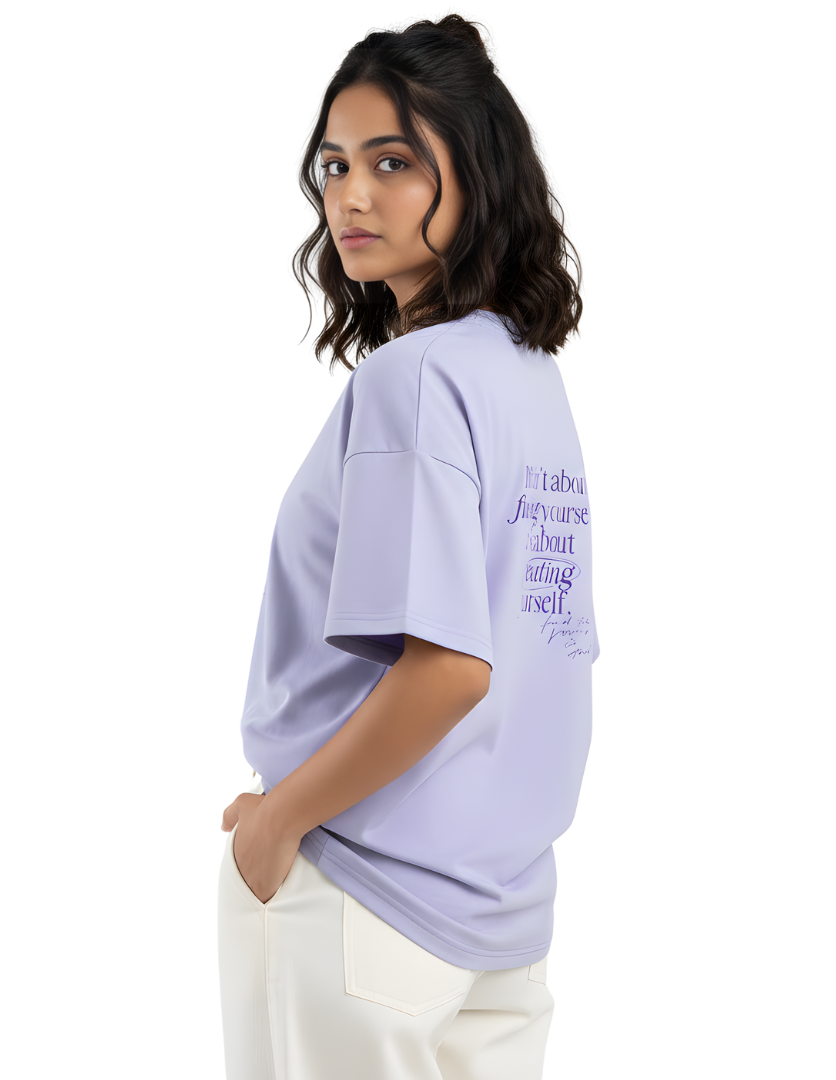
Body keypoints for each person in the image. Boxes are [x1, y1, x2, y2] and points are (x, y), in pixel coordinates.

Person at [217, 10, 598, 1079]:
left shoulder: (411, 381)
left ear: (479, 172)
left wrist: (280, 820)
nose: (351, 196)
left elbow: (449, 671)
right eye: (336, 164)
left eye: (393, 162)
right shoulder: (531, 378)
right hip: (503, 922)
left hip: (361, 899)